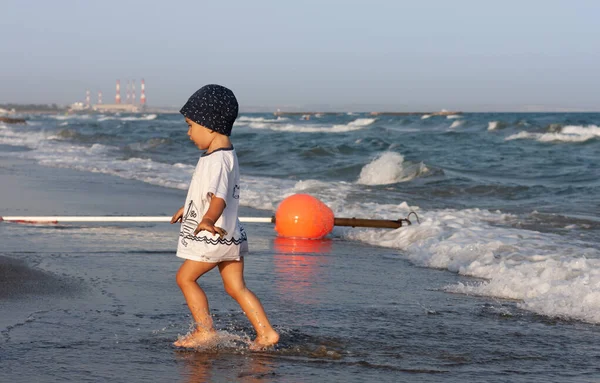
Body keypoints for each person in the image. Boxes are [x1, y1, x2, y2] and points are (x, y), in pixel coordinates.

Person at [170, 84, 279, 350]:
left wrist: (207, 220)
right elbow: (212, 194)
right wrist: (191, 208)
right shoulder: (223, 155)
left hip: (214, 236)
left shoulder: (217, 160)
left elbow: (218, 199)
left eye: (190, 124)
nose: (188, 133)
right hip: (231, 234)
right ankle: (266, 333)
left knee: (185, 278)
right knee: (236, 287)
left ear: (208, 125)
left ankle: (204, 330)